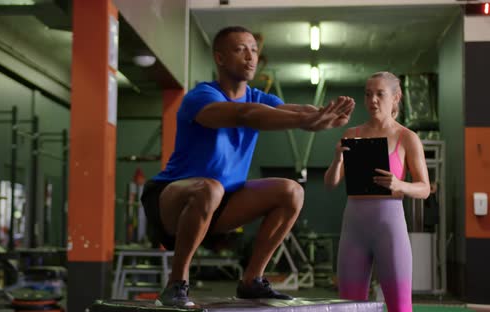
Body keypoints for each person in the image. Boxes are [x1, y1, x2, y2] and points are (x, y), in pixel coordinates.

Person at [140, 25, 355, 307]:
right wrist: (307, 121)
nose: (250, 56)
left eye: (254, 50)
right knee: (210, 187)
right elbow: (244, 115)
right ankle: (176, 284)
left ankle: (252, 280)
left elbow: (292, 110)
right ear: (219, 58)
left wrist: (321, 116)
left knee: (292, 191)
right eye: (241, 49)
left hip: (223, 202)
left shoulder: (258, 98)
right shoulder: (201, 97)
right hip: (171, 200)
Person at [324, 71, 430, 312]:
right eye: (368, 94)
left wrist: (399, 185)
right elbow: (330, 185)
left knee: (400, 307)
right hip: (354, 228)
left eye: (379, 94)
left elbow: (424, 188)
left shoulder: (407, 138)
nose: (372, 100)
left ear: (395, 97)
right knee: (349, 307)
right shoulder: (352, 135)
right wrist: (338, 158)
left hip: (389, 228)